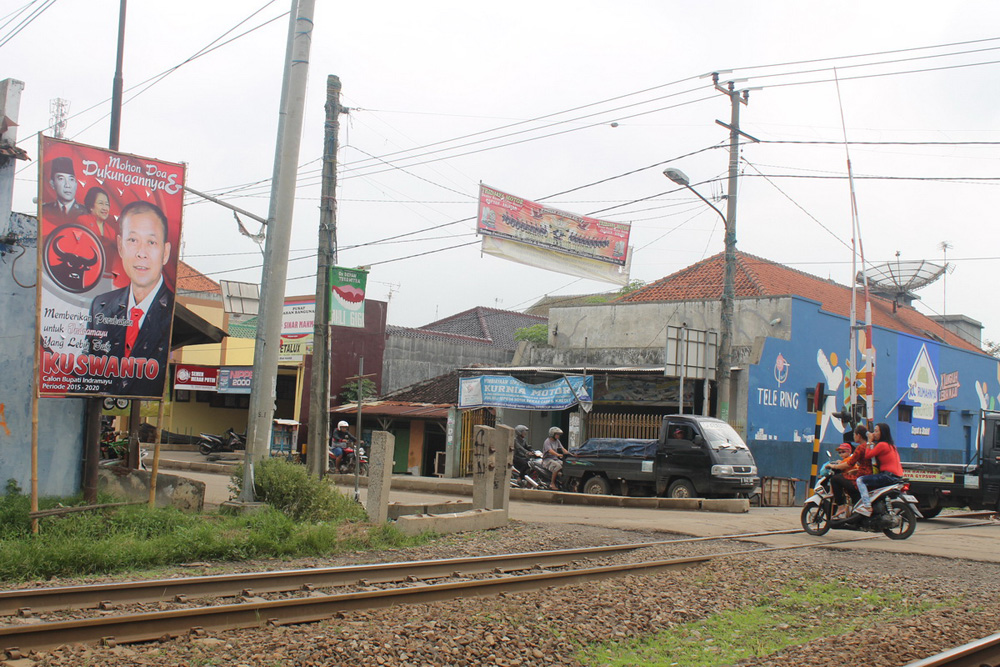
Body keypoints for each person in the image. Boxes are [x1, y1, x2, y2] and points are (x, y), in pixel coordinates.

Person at [88, 200, 174, 397]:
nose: (141, 253)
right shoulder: (101, 306)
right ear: (120, 246)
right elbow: (90, 364)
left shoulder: (172, 312)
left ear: (165, 252)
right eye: (133, 240)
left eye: (151, 242)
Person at [854, 422, 904, 517]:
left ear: (883, 433)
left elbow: (868, 455)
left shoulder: (882, 445)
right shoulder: (891, 446)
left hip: (888, 476)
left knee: (860, 480)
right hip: (896, 476)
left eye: (876, 431)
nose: (874, 433)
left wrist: (868, 441)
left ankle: (867, 506)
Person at [829, 425, 874, 519]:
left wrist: (833, 466)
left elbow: (849, 464)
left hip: (862, 476)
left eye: (854, 434)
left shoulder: (861, 447)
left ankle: (841, 506)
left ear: (858, 435)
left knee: (835, 479)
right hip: (867, 474)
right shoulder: (869, 446)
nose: (853, 436)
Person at [77, 186, 119, 278]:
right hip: (84, 272)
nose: (105, 208)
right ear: (91, 206)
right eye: (101, 203)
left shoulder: (111, 231)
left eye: (107, 204)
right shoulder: (82, 221)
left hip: (105, 275)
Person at [41, 156, 88, 230]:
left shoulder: (86, 212)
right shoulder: (44, 210)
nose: (67, 185)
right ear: (52, 183)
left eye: (71, 179)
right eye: (61, 179)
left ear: (76, 183)